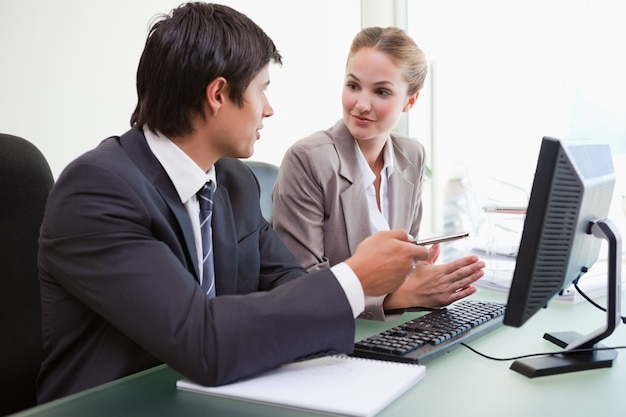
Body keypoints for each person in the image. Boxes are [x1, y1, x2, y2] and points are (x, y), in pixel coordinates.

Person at [35, 3, 429, 403]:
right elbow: (200, 340)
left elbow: (291, 285)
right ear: (218, 94)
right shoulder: (96, 191)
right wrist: (355, 278)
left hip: (215, 396)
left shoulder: (234, 182)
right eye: (262, 90)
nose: (269, 109)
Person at [272, 26, 485, 321]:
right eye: (353, 85)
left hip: (389, 328)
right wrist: (403, 296)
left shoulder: (411, 155)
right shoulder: (308, 160)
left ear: (410, 101)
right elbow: (303, 286)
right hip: (329, 332)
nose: (361, 104)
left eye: (381, 91)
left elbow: (404, 264)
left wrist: (421, 274)